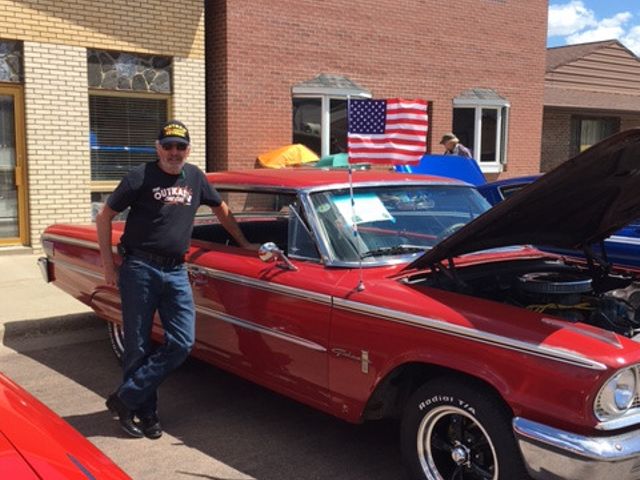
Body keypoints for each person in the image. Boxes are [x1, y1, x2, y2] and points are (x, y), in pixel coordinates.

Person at [96, 119, 255, 439]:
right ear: (157, 148)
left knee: (182, 342)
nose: (173, 152)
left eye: (180, 146)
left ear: (188, 149)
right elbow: (105, 216)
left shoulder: (195, 177)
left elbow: (222, 209)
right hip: (139, 268)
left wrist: (244, 244)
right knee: (138, 345)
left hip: (175, 270)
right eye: (167, 145)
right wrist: (108, 267)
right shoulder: (139, 176)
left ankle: (126, 398)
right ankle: (147, 413)